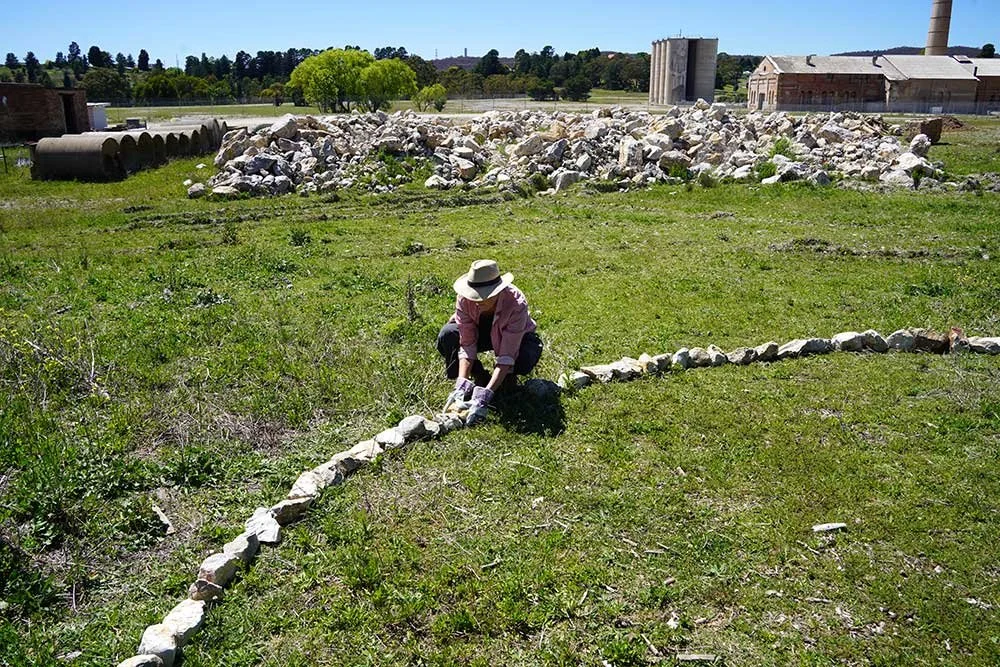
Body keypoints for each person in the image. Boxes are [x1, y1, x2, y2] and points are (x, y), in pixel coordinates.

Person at [437, 259, 543, 425]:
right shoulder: (465, 299)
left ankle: (507, 378)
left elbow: (508, 353)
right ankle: (478, 376)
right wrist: (461, 384)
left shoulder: (516, 303)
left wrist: (486, 395)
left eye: (484, 297)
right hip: (483, 333)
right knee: (448, 335)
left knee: (523, 357)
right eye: (475, 296)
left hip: (516, 338)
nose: (478, 301)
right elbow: (467, 343)